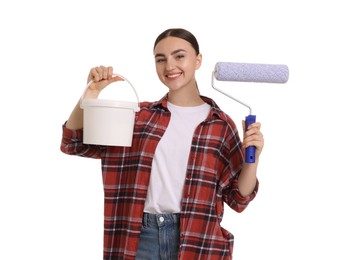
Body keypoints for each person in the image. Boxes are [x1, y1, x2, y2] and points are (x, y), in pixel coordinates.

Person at [60, 28, 264, 260]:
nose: (169, 66)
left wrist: (253, 160)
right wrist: (91, 92)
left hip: (199, 240)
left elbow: (238, 198)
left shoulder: (221, 125)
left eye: (179, 56)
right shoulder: (139, 117)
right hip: (139, 238)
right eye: (161, 59)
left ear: (198, 60)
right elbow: (73, 142)